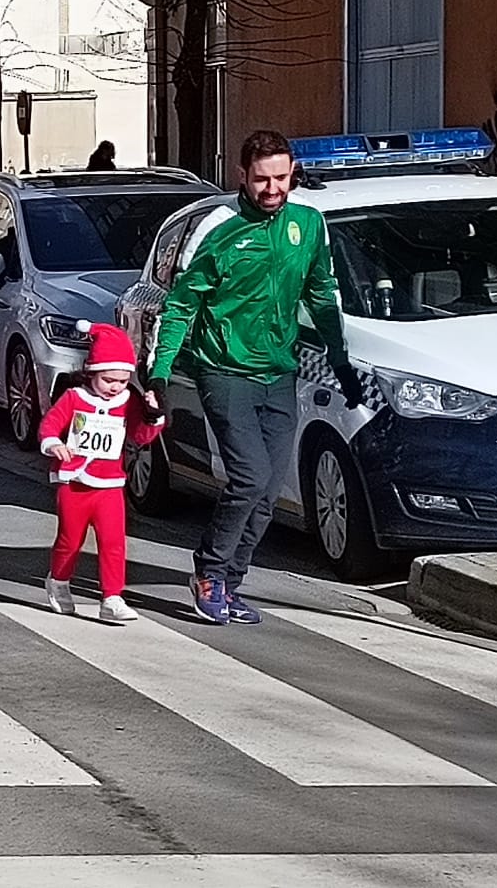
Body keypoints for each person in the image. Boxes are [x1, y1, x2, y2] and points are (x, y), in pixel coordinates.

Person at [148, 129, 358, 625]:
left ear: (292, 174)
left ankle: (230, 582)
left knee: (268, 492)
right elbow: (181, 303)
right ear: (242, 175)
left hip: (278, 371)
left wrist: (341, 360)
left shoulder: (307, 224)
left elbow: (322, 294)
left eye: (281, 178)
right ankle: (208, 572)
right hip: (223, 369)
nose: (272, 189)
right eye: (261, 179)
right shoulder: (217, 227)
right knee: (248, 477)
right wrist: (158, 373)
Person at [40, 322, 166, 623]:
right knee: (70, 540)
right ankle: (58, 581)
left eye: (122, 380)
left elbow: (141, 436)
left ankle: (112, 596)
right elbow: (49, 425)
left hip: (110, 484)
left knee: (113, 542)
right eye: (108, 379)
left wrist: (153, 414)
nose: (116, 387)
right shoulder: (74, 398)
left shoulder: (128, 401)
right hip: (75, 483)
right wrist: (54, 445)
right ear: (91, 373)